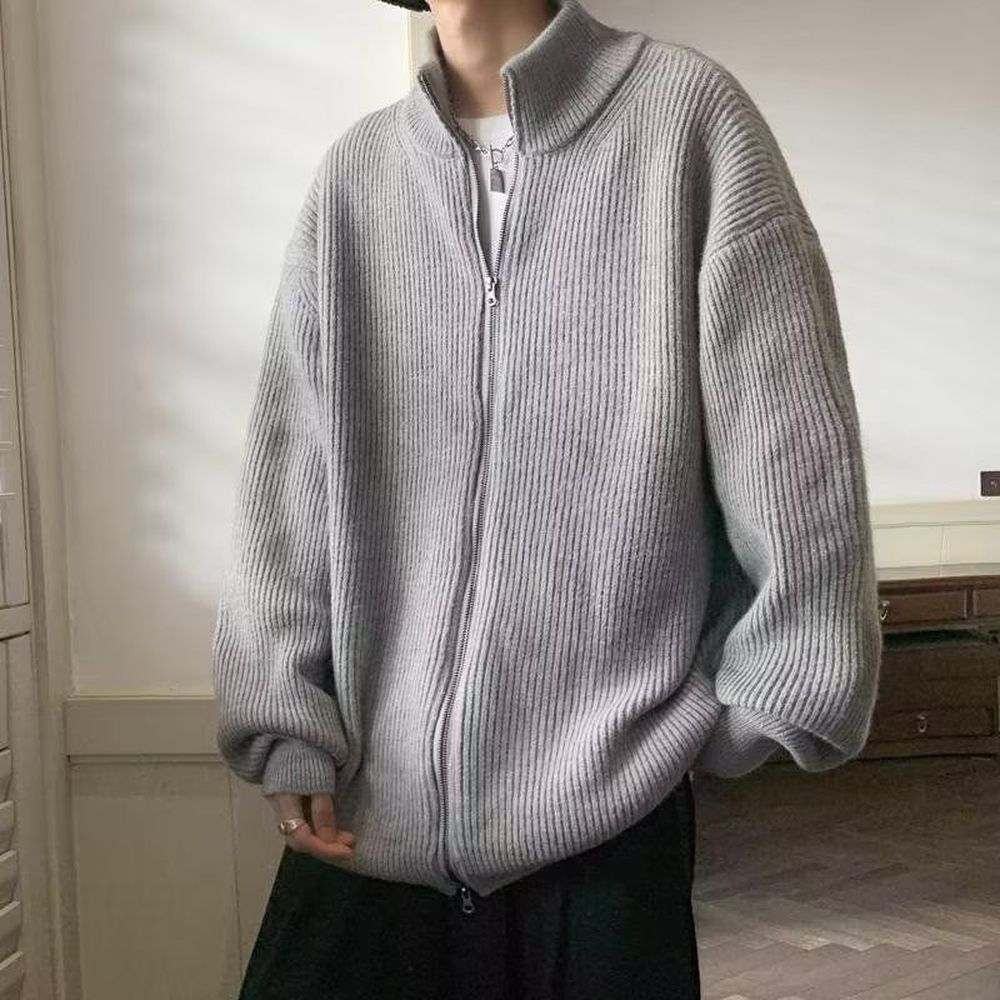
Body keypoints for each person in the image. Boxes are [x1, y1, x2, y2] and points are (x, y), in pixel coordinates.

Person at [211, 0, 882, 996]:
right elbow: (288, 482)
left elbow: (793, 450)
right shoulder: (358, 177)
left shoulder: (687, 121)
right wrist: (286, 725)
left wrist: (726, 717)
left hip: (607, 830)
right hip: (364, 824)